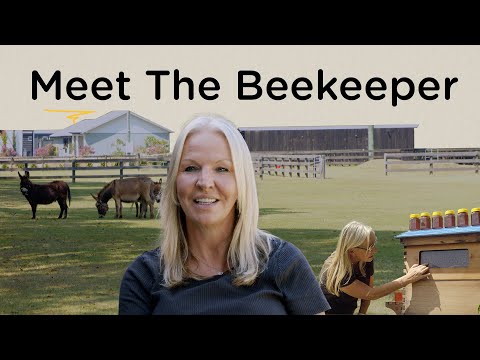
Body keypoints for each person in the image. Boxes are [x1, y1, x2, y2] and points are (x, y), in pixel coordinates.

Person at [118, 114, 331, 315]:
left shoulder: (284, 262)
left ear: (242, 183)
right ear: (174, 182)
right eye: (191, 168)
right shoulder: (143, 277)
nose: (205, 182)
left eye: (222, 169)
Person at [319, 220, 430, 315]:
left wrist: (362, 313)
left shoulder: (365, 258)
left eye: (373, 245)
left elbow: (368, 288)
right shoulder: (337, 271)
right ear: (351, 250)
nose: (374, 250)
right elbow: (371, 293)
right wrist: (408, 278)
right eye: (369, 248)